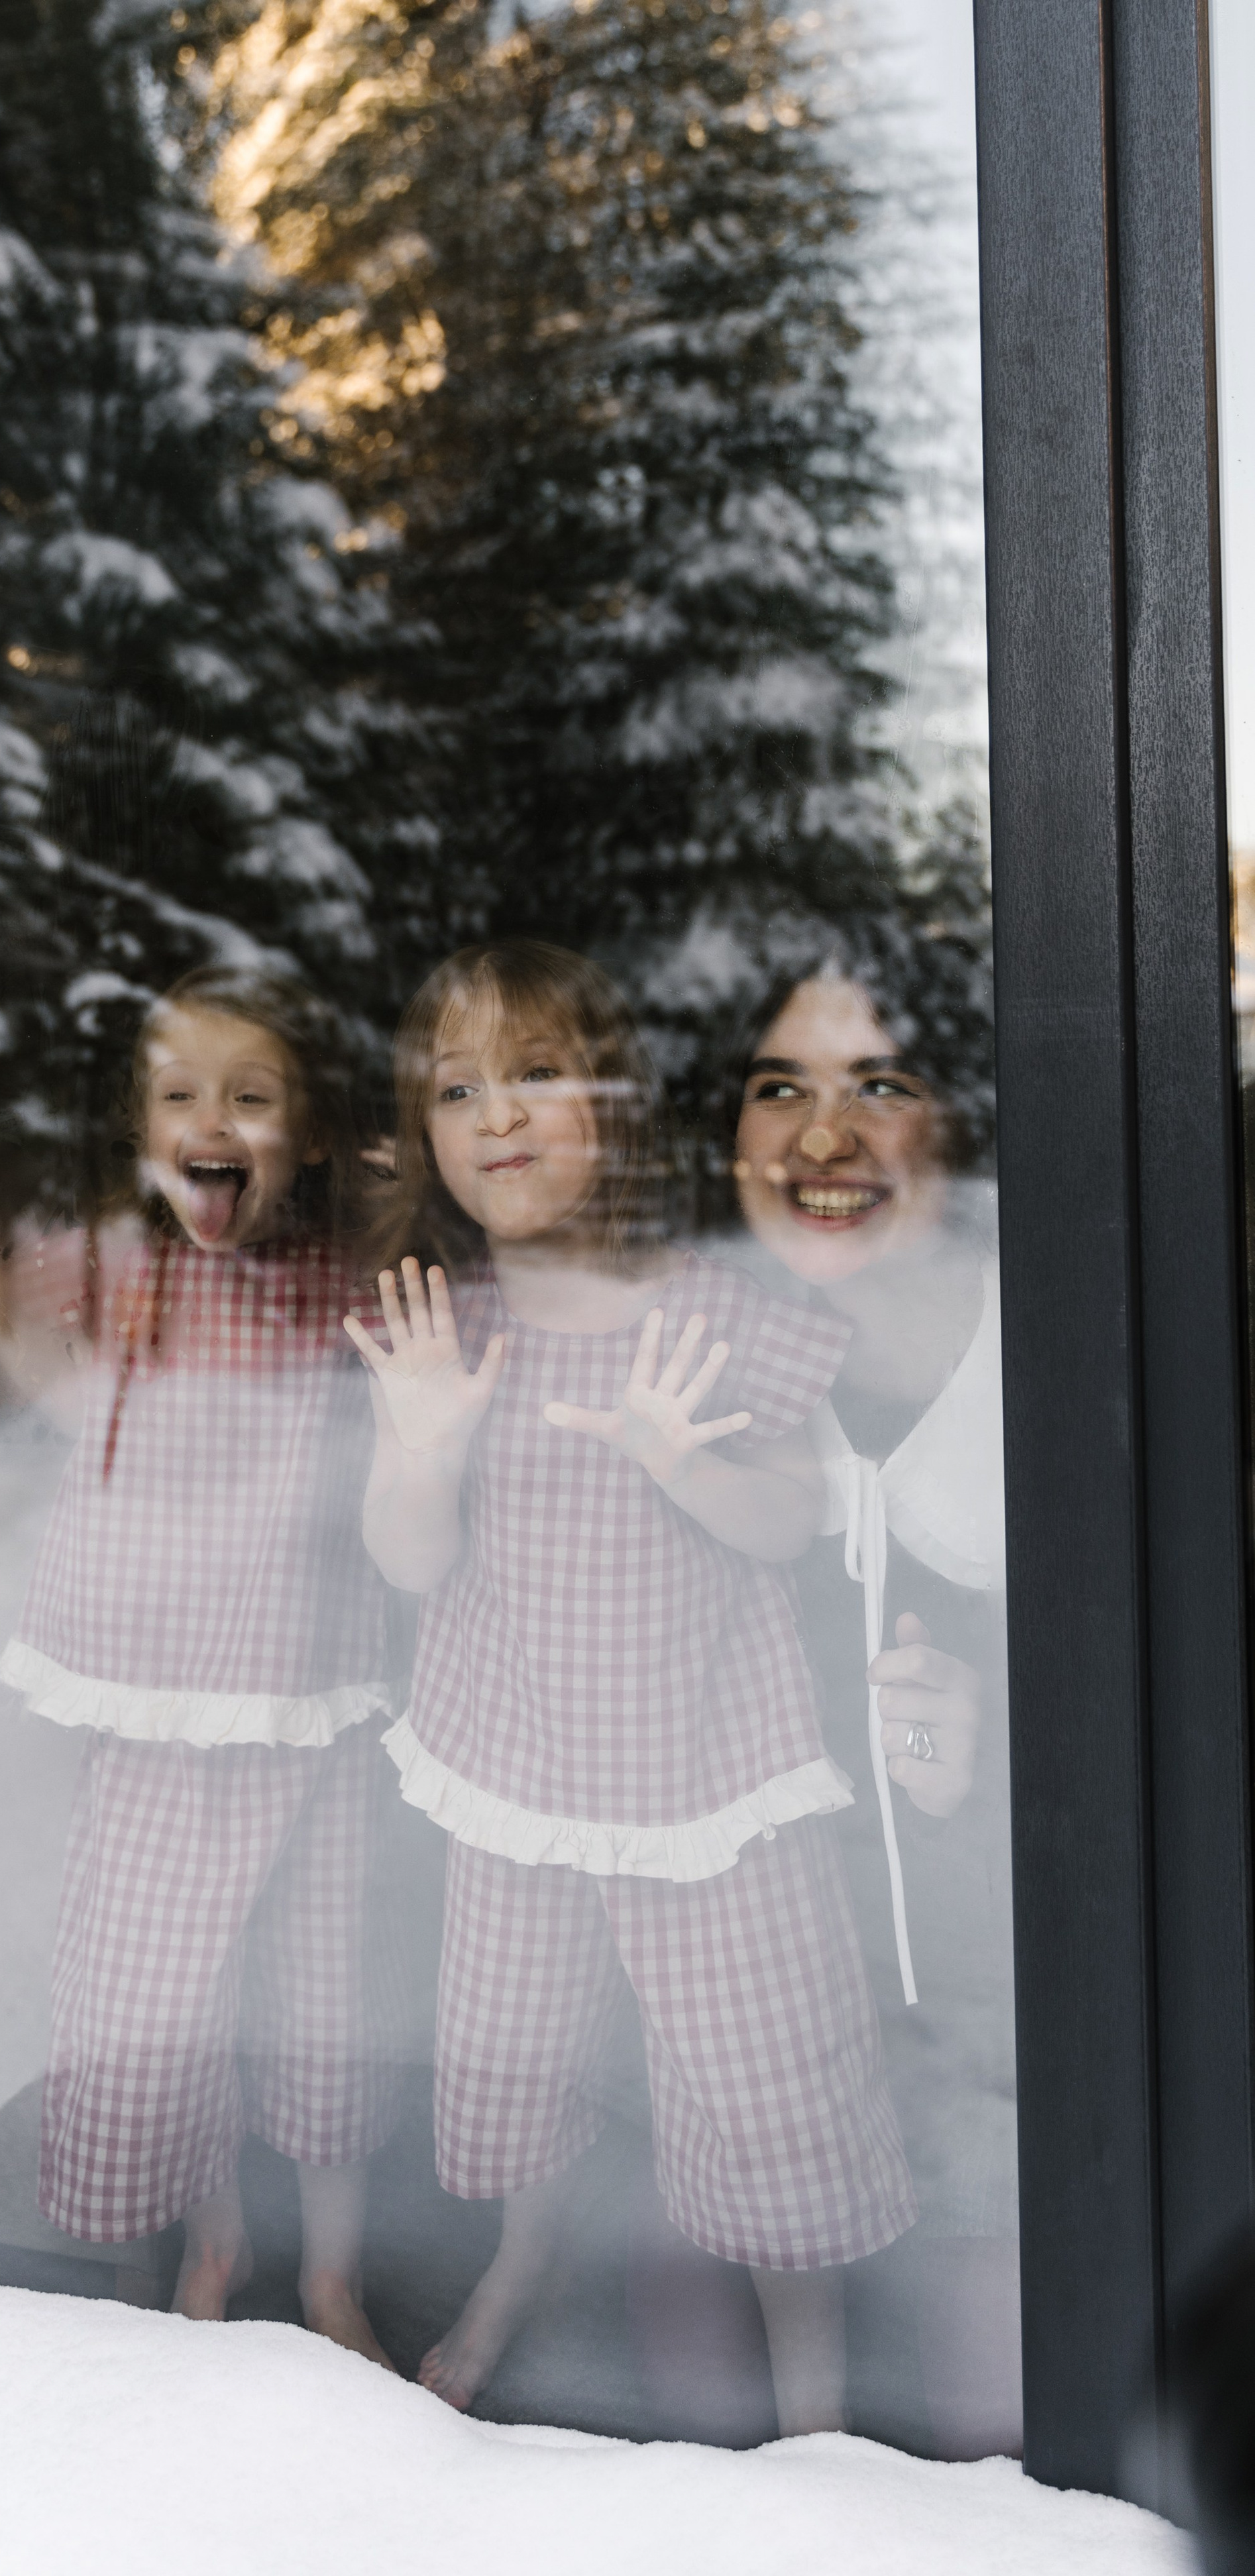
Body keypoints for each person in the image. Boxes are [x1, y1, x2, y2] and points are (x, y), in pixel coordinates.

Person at [343, 938, 916, 2428]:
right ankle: (521, 2266)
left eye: (535, 1073)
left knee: (765, 2080)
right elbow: (409, 1564)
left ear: (611, 1098)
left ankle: (814, 2396)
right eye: (456, 1090)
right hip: (521, 1771)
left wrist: (686, 1467)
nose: (496, 1114)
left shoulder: (709, 1311)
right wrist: (423, 1448)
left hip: (702, 1778)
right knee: (521, 2060)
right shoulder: (447, 1326)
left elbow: (789, 1523)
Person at [0, 963, 401, 2367]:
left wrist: (409, 1191)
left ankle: (333, 2273)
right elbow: (51, 1384)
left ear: (306, 1134)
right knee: (166, 1992)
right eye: (180, 1097)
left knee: (325, 2003)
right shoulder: (115, 1267)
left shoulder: (335, 1276)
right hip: (163, 1704)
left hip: (310, 1696)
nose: (209, 1121)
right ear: (143, 1130)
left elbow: (428, 1313)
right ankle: (213, 2236)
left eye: (250, 1097)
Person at [724, 959, 1016, 2457]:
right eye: (779, 1087)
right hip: (756, 2030)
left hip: (1005, 2059)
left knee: (990, 2433)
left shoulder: (1072, 1318)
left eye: (879, 1086)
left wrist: (1008, 1740)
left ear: (959, 1122)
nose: (822, 1136)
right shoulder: (703, 1346)